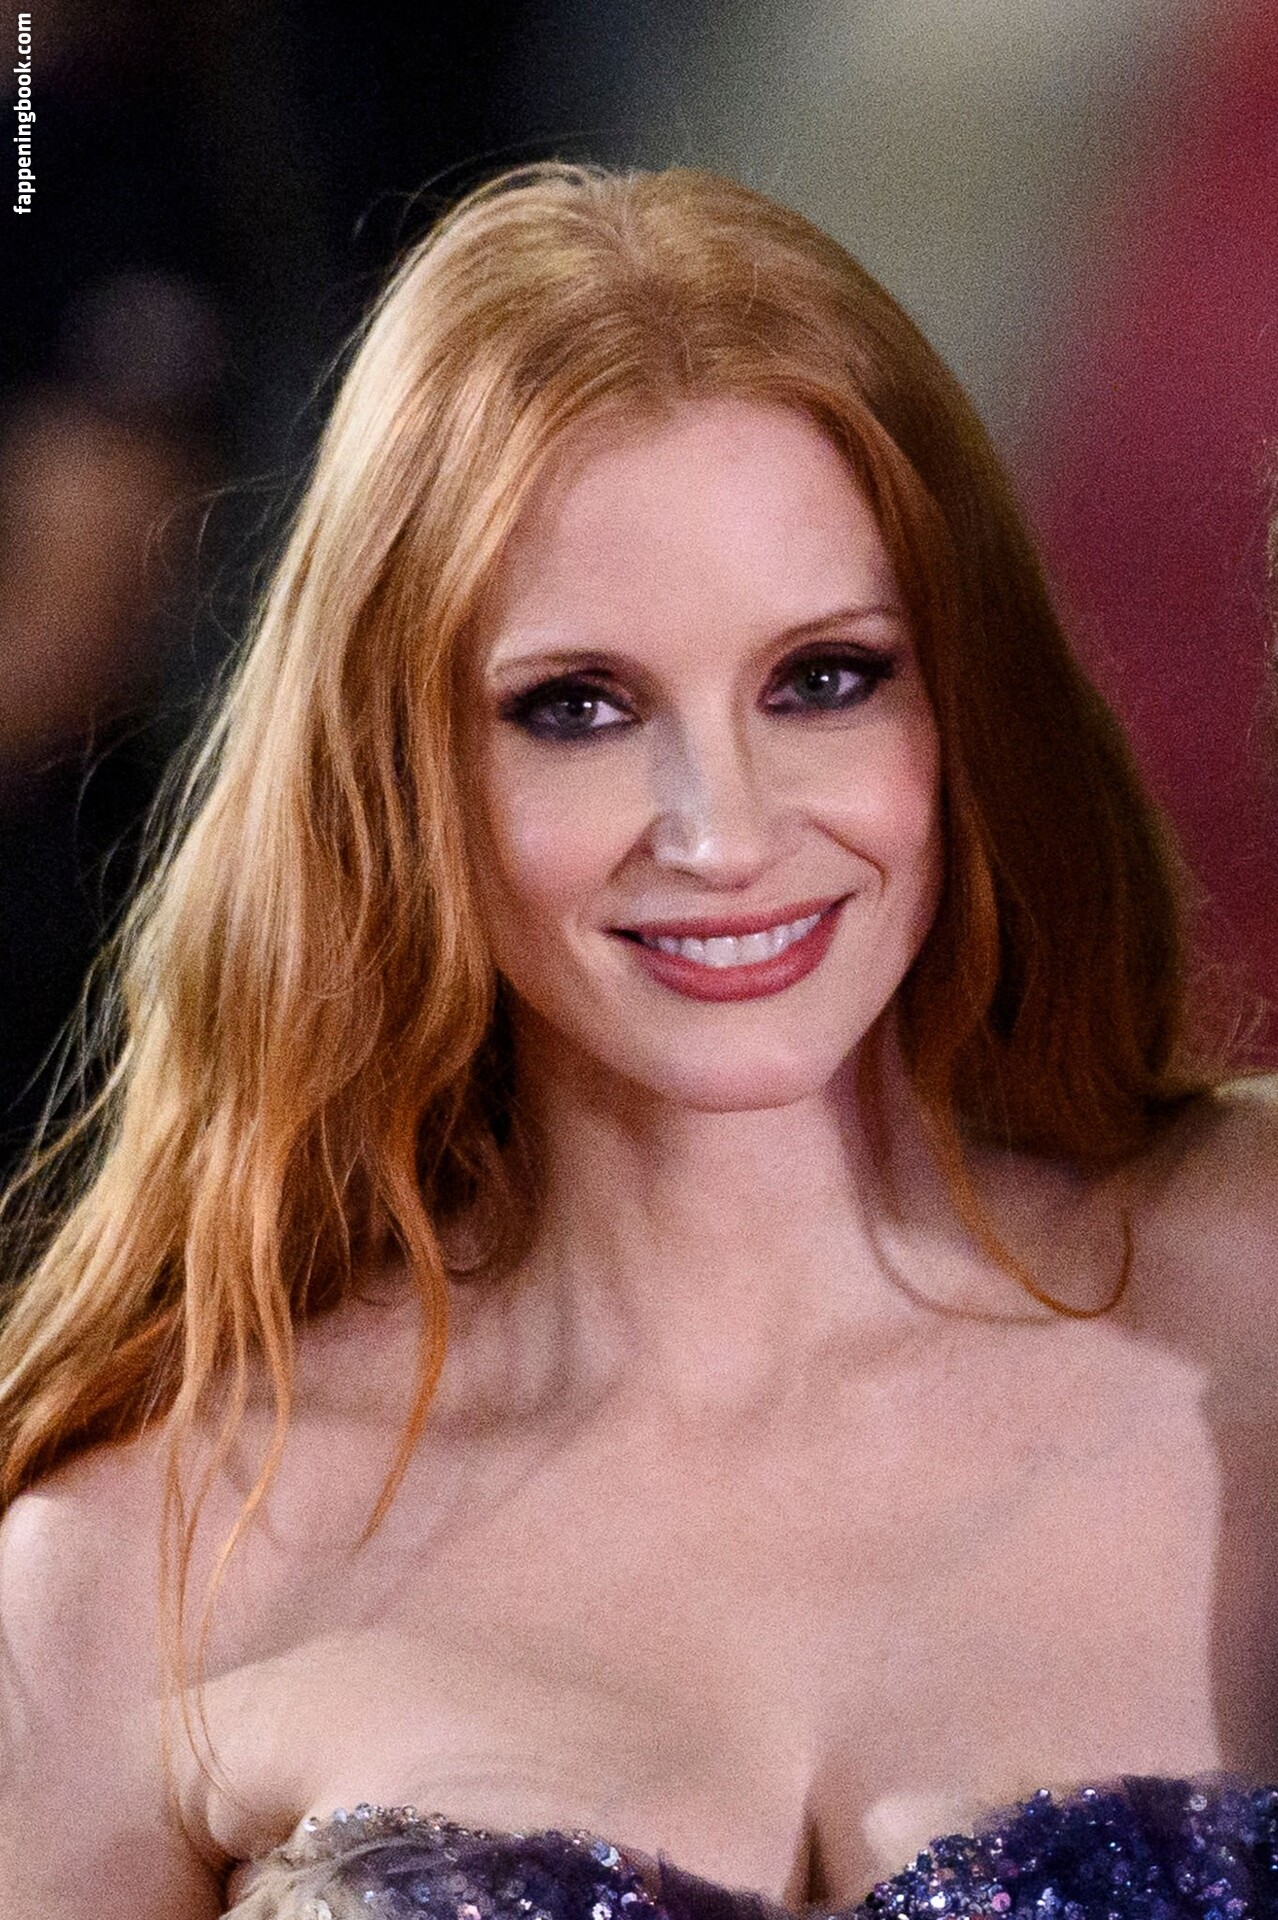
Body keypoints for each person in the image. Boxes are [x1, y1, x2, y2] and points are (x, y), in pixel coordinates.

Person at [1, 162, 1276, 1920]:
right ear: (394, 774)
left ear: (967, 699)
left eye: (823, 677)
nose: (720, 832)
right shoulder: (130, 1560)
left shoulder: (1252, 1284)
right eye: (576, 707)